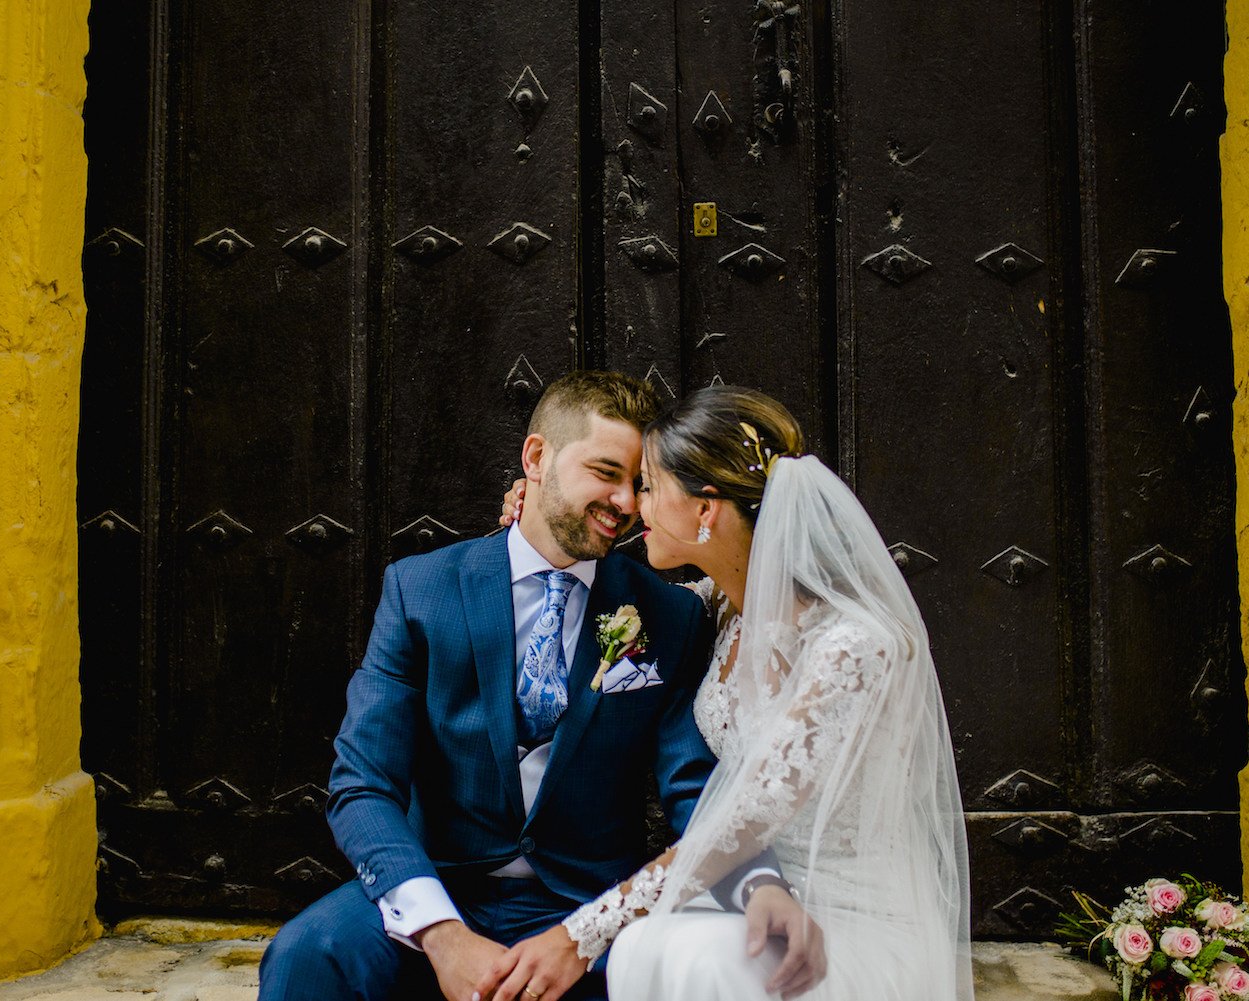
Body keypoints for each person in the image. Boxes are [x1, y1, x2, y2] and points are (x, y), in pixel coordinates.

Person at [258, 371, 821, 1001]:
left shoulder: (670, 615)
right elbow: (362, 783)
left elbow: (692, 784)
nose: (624, 503)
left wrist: (758, 881)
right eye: (604, 473)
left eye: (638, 483)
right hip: (441, 886)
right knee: (307, 954)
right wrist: (442, 933)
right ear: (535, 458)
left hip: (586, 904)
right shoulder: (420, 590)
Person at [489, 386, 973, 1001]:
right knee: (650, 949)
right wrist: (537, 514)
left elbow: (740, 822)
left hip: (846, 919)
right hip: (751, 895)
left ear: (704, 509)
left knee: (679, 958)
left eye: (647, 486)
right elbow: (587, 605)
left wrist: (578, 937)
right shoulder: (714, 609)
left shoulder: (852, 647)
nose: (633, 506)